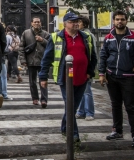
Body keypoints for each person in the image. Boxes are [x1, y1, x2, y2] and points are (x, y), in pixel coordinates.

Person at [99, 10, 134, 148]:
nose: (119, 22)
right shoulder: (108, 38)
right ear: (113, 21)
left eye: (122, 19)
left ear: (126, 21)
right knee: (115, 105)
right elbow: (103, 56)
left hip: (129, 78)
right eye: (117, 19)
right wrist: (101, 73)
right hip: (112, 76)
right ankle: (117, 131)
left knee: (130, 107)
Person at [40, 12, 97, 143]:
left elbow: (93, 57)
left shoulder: (86, 37)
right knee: (70, 106)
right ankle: (74, 135)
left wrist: (90, 72)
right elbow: (46, 59)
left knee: (73, 107)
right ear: (65, 24)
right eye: (72, 21)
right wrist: (43, 77)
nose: (76, 23)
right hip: (65, 79)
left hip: (82, 78)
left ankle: (65, 127)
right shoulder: (56, 38)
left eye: (77, 21)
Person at [19, 17, 50, 107]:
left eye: (38, 22)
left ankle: (44, 100)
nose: (37, 23)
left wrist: (42, 40)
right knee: (32, 82)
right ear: (32, 23)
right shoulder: (26, 33)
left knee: (43, 81)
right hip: (31, 61)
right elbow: (21, 48)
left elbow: (50, 46)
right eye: (35, 22)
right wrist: (23, 60)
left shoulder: (45, 34)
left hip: (42, 62)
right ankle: (35, 98)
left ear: (41, 23)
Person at [76, 16, 97, 120]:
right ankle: (81, 111)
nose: (77, 24)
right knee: (82, 91)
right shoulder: (79, 35)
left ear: (84, 24)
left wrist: (91, 69)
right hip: (80, 69)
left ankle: (89, 112)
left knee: (87, 91)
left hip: (87, 68)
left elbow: (93, 54)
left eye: (79, 23)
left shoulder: (89, 35)